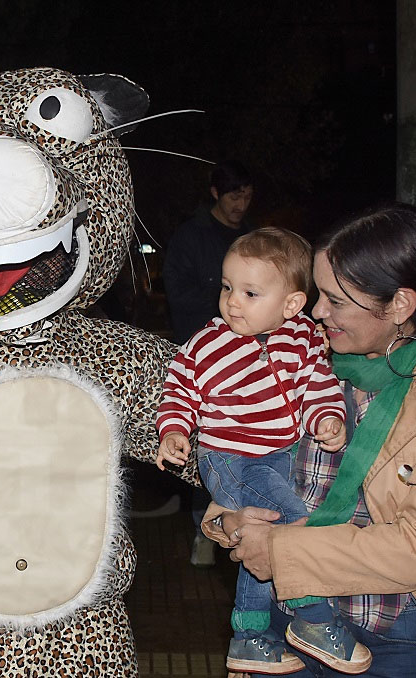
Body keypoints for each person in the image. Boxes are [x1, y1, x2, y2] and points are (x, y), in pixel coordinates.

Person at [207, 203, 416, 677]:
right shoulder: (302, 353)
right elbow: (237, 452)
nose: (316, 311)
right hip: (281, 620)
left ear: (400, 305)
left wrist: (281, 552)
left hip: (388, 637)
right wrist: (230, 518)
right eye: (318, 294)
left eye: (336, 300)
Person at [156, 227, 366, 675]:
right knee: (291, 522)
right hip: (229, 458)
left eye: (250, 293)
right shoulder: (208, 343)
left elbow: (317, 384)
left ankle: (250, 637)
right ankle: (314, 618)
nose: (233, 302)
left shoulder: (304, 337)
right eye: (227, 287)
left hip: (280, 456)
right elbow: (178, 389)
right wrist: (174, 430)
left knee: (261, 543)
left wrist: (327, 419)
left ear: (291, 304)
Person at [162, 160, 255, 567]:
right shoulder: (191, 236)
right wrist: (226, 314)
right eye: (234, 194)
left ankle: (246, 529)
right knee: (208, 443)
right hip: (203, 359)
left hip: (249, 362)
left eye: (247, 195)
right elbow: (177, 294)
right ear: (216, 193)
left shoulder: (253, 239)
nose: (241, 204)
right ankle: (205, 529)